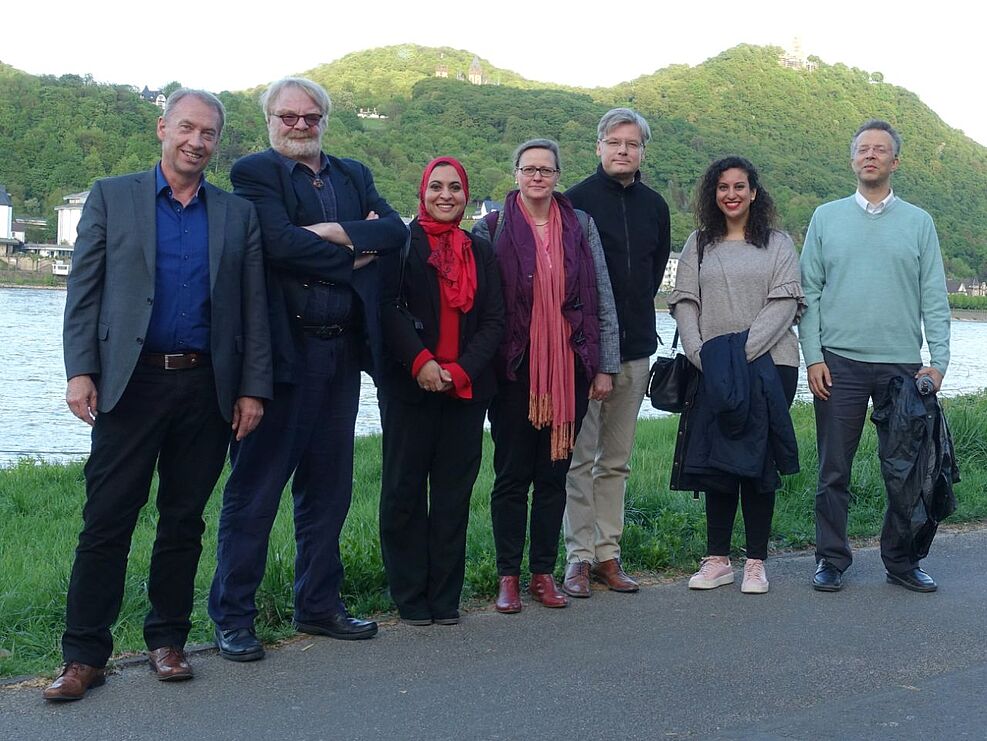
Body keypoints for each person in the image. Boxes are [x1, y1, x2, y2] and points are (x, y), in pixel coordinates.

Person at [46, 89, 272, 701]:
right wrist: (80, 370)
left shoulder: (235, 214)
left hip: (206, 386)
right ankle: (83, 655)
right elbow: (83, 293)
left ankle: (167, 641)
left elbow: (252, 308)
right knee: (106, 520)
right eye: (188, 129)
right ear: (163, 129)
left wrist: (252, 388)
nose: (197, 142)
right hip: (130, 383)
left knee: (183, 520)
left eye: (209, 133)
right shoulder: (111, 196)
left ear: (218, 142)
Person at [209, 78, 407, 661]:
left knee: (329, 491)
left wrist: (331, 234)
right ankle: (233, 617)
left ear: (325, 118)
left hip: (343, 355)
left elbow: (395, 232)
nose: (301, 125)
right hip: (280, 358)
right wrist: (354, 250)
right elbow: (275, 245)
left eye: (311, 116)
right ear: (269, 119)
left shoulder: (354, 174)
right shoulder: (253, 173)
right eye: (288, 116)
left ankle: (318, 605)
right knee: (255, 493)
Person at [799, 119, 951, 593]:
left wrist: (939, 361)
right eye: (863, 149)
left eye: (880, 150)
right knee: (834, 468)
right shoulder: (826, 217)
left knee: (904, 472)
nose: (871, 155)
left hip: (902, 365)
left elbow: (934, 296)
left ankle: (902, 562)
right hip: (838, 361)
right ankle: (831, 559)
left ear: (894, 162)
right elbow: (809, 292)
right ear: (852, 160)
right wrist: (813, 356)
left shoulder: (919, 222)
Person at [473, 138, 619, 613]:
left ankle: (543, 573)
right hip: (515, 371)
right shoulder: (491, 227)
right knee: (512, 477)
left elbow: (600, 298)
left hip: (570, 369)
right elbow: (480, 307)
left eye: (546, 170)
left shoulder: (580, 225)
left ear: (558, 176)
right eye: (529, 168)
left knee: (554, 476)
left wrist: (603, 367)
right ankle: (508, 577)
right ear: (515, 173)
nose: (537, 177)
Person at [377, 157, 504, 626]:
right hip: (410, 388)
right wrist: (422, 363)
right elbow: (387, 309)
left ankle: (445, 599)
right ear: (422, 190)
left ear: (466, 195)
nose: (445, 195)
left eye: (454, 187)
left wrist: (459, 371)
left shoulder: (480, 250)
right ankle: (411, 599)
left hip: (464, 392)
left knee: (453, 496)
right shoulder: (401, 244)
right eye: (436, 187)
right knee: (402, 494)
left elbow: (494, 320)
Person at [669, 156, 803, 595]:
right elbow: (685, 302)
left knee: (758, 463)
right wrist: (702, 354)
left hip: (771, 364)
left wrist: (737, 353)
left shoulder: (778, 244)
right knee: (718, 463)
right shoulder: (699, 243)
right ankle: (717, 560)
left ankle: (756, 563)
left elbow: (784, 303)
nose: (731, 194)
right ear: (714, 194)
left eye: (739, 187)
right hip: (711, 366)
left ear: (753, 192)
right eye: (723, 187)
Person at [562, 108, 671, 598]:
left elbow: (651, 277)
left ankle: (609, 554)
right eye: (615, 142)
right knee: (579, 458)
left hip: (636, 349)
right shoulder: (575, 202)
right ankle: (578, 559)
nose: (623, 150)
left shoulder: (654, 205)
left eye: (632, 144)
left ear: (642, 151)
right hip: (581, 353)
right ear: (599, 146)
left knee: (617, 460)